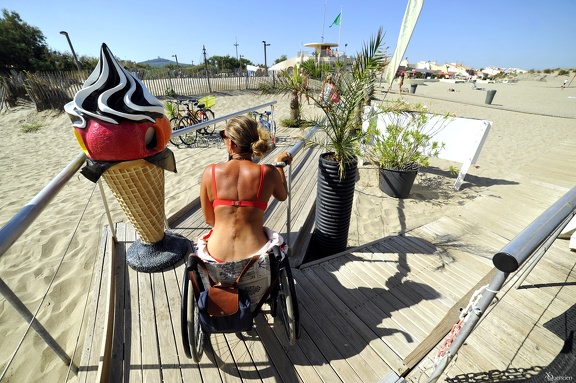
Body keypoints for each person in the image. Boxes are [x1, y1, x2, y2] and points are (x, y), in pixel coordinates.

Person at [195, 116, 293, 308]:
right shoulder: (268, 172)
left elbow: (209, 219)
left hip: (217, 259)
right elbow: (282, 196)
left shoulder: (211, 172)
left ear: (231, 143)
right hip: (255, 258)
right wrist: (279, 166)